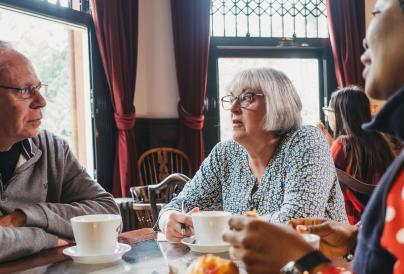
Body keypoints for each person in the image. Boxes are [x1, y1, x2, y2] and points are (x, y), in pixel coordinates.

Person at [223, 0, 404, 273]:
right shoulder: (390, 143)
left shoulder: (312, 141)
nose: (365, 41)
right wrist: (356, 238)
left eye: (377, 13)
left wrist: (305, 259)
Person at [158, 67, 347, 243]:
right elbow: (181, 204)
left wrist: (220, 226)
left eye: (246, 98)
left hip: (322, 265)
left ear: (278, 104)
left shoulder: (306, 140)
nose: (233, 107)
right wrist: (168, 219)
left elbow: (298, 221)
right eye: (232, 98)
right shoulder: (225, 153)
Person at [0, 41, 119, 262]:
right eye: (25, 90)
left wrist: (25, 217)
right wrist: (51, 239)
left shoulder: (52, 148)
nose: (41, 101)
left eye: (38, 87)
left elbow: (109, 214)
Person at [322, 86, 394, 224]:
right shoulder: (381, 141)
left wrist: (326, 148)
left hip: (348, 221)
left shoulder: (342, 144)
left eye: (329, 111)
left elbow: (323, 186)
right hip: (379, 218)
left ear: (339, 114)